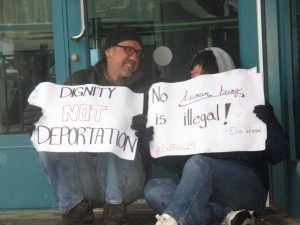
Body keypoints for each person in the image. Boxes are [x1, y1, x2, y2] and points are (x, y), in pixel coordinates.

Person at [131, 47, 288, 225]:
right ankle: (227, 216)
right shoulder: (186, 111)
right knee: (154, 189)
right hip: (202, 194)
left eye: (203, 68)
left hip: (245, 189)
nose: (194, 72)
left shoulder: (248, 101)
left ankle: (174, 219)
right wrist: (149, 141)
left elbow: (278, 154)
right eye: (193, 68)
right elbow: (173, 165)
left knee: (199, 163)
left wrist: (270, 122)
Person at [23, 25, 153, 225]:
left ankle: (115, 208)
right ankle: (75, 207)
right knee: (44, 136)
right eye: (128, 50)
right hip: (85, 179)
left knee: (116, 127)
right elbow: (58, 129)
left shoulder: (147, 89)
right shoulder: (78, 82)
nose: (134, 57)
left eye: (138, 53)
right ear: (108, 51)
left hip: (127, 182)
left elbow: (158, 150)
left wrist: (145, 133)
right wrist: (35, 123)